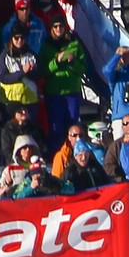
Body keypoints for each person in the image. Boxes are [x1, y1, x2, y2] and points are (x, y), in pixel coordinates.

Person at [40, 12, 86, 153]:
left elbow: (83, 69)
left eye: (61, 26)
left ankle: (74, 154)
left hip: (72, 91)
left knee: (72, 124)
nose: (59, 29)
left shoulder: (75, 44)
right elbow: (43, 70)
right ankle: (56, 156)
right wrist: (56, 62)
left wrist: (73, 63)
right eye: (55, 26)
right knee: (56, 127)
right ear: (51, 29)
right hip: (54, 92)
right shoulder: (46, 46)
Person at [102, 45, 129, 139]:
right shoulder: (116, 75)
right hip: (119, 117)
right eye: (123, 55)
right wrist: (117, 55)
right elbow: (107, 70)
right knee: (119, 145)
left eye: (127, 54)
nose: (125, 57)